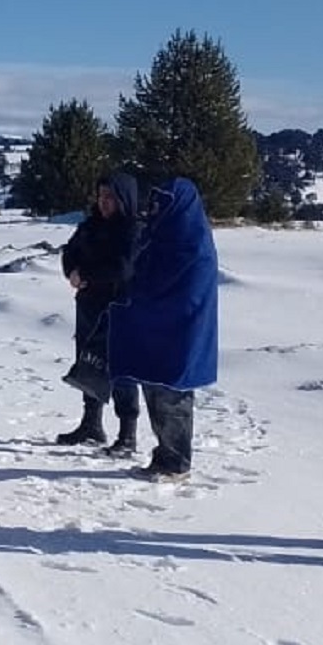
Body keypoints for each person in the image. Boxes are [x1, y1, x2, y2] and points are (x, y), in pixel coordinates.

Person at [106, 177, 218, 481]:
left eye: (161, 203)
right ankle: (164, 454)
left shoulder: (191, 242)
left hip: (179, 333)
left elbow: (183, 288)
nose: (154, 209)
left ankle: (177, 462)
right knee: (155, 392)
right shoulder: (160, 234)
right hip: (154, 330)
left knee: (173, 396)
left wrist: (140, 292)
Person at [57, 172, 142, 455]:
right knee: (88, 362)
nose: (104, 202)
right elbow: (69, 251)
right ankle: (91, 424)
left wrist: (88, 274)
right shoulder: (90, 226)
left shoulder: (132, 229)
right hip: (88, 304)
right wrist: (72, 271)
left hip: (119, 308)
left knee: (120, 369)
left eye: (110, 197)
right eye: (101, 196)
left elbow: (123, 268)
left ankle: (127, 434)